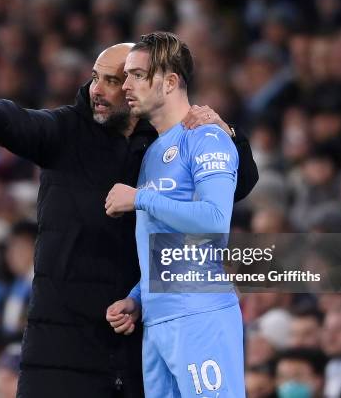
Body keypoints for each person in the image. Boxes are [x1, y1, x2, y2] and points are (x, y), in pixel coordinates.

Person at [0, 42, 258, 398]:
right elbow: (25, 125)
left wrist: (228, 136)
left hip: (139, 330)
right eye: (95, 78)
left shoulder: (163, 144)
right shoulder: (68, 130)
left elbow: (226, 197)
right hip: (63, 340)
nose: (96, 90)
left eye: (116, 80)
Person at [104, 32, 244, 397]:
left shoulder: (207, 138)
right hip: (158, 322)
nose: (126, 85)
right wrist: (138, 297)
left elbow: (215, 221)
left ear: (169, 81)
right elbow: (169, 244)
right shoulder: (152, 153)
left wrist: (141, 198)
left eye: (136, 74)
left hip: (200, 315)